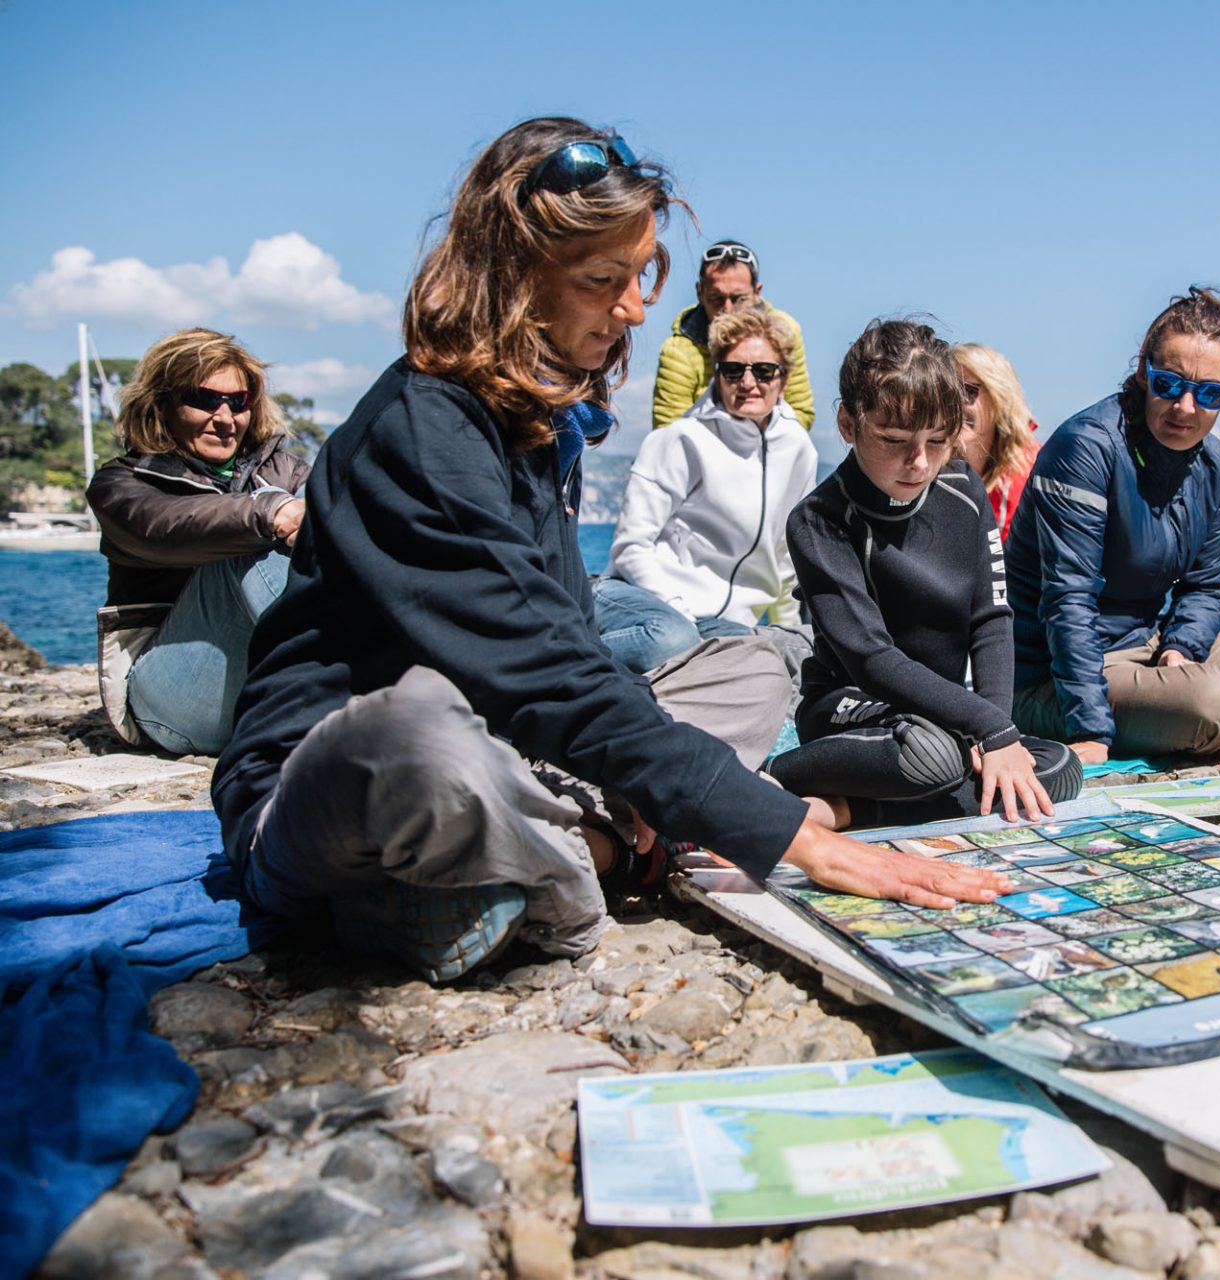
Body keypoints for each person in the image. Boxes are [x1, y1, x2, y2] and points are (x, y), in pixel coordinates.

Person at [211, 119, 1006, 984]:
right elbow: (547, 679)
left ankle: (548, 848)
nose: (634, 308)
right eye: (604, 280)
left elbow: (571, 649)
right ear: (510, 278)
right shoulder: (423, 430)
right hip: (350, 769)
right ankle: (608, 854)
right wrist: (784, 834)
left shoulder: (543, 426)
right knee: (418, 729)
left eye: (638, 277)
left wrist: (647, 765)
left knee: (750, 672)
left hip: (516, 745)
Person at [1005, 287, 1220, 764]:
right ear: (1144, 372)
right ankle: (1203, 712)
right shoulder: (1085, 448)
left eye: (1210, 393)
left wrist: (1182, 647)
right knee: (1219, 706)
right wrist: (1089, 729)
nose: (1186, 407)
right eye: (1170, 384)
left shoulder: (1213, 464)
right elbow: (1066, 598)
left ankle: (1194, 703)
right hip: (1049, 673)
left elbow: (1205, 584)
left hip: (1146, 643)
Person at [768, 319, 1081, 827]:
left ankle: (846, 810)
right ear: (849, 424)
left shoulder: (963, 491)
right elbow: (870, 658)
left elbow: (992, 620)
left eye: (937, 441)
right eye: (894, 439)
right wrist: (985, 728)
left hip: (943, 716)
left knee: (1060, 769)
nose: (918, 462)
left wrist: (996, 731)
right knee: (937, 756)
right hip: (850, 708)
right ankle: (778, 778)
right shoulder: (818, 520)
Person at [87, 328, 309, 755]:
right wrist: (271, 511)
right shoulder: (121, 484)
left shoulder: (289, 471)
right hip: (169, 702)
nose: (225, 418)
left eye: (238, 402)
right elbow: (164, 527)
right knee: (250, 539)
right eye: (205, 400)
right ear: (163, 405)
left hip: (263, 696)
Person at [596, 306, 815, 675]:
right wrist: (679, 612)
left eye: (763, 371)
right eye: (733, 370)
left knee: (762, 655)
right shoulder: (680, 440)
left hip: (716, 621)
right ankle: (555, 657)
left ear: (783, 378)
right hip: (636, 598)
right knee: (670, 639)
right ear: (718, 374)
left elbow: (785, 555)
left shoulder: (798, 451)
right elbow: (631, 546)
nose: (748, 382)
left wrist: (788, 630)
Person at [651, 240, 815, 429]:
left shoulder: (786, 332)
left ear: (757, 292)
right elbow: (669, 433)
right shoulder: (678, 351)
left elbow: (801, 413)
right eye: (716, 299)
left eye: (738, 299)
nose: (727, 310)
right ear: (700, 293)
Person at [953, 343, 1041, 541]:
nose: (954, 404)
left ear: (999, 398)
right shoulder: (926, 468)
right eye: (945, 392)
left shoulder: (1032, 473)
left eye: (967, 391)